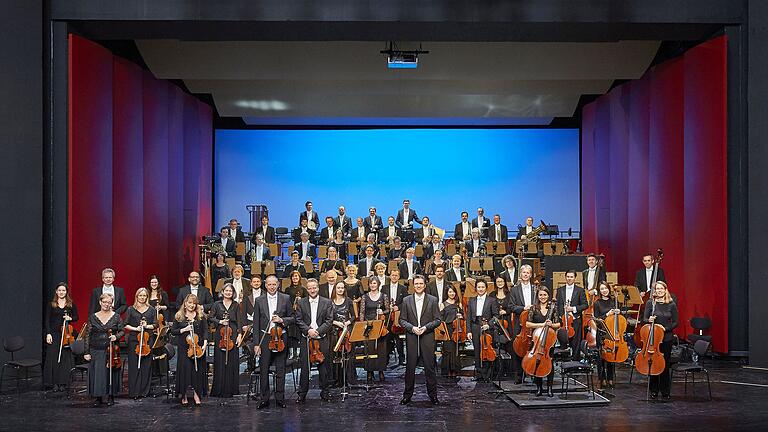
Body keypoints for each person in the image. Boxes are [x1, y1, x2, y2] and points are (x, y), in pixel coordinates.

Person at [252, 275, 295, 409]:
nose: (271, 287)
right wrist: (256, 344)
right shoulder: (259, 300)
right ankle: (264, 399)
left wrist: (282, 320)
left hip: (281, 338)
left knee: (281, 370)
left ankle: (280, 398)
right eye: (269, 284)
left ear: (278, 285)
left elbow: (292, 317)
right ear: (265, 285)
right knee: (264, 370)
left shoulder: (286, 298)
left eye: (274, 284)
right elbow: (256, 323)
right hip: (265, 339)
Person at [399, 275, 441, 405]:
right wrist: (411, 328)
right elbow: (401, 320)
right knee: (410, 368)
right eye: (416, 283)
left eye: (420, 283)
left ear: (424, 285)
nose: (418, 286)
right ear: (413, 285)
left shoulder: (433, 300)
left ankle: (433, 396)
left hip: (427, 336)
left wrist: (425, 328)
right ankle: (407, 396)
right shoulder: (406, 300)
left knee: (429, 367)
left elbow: (438, 320)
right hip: (412, 336)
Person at [295, 278, 334, 403]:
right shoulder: (301, 303)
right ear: (307, 289)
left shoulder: (326, 302)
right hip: (306, 338)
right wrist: (308, 331)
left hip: (321, 338)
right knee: (305, 367)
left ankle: (325, 392)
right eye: (310, 288)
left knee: (324, 367)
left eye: (314, 287)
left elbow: (329, 320)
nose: (312, 290)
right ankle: (302, 393)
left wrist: (318, 331)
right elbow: (298, 320)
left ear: (318, 288)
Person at [84, 293, 124, 407]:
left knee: (110, 373)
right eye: (105, 302)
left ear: (112, 303)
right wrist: (86, 352)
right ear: (100, 302)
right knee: (98, 374)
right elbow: (87, 335)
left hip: (111, 350)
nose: (107, 304)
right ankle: (98, 397)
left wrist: (116, 336)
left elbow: (121, 331)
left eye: (109, 302)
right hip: (95, 349)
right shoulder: (93, 316)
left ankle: (111, 395)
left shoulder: (116, 316)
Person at [643, 281, 678, 400]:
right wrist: (649, 319)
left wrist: (666, 328)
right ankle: (653, 390)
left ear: (665, 289)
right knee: (653, 363)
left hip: (666, 338)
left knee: (664, 364)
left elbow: (675, 322)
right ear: (654, 291)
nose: (659, 291)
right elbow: (644, 318)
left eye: (661, 288)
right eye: (657, 289)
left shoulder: (671, 304)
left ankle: (665, 390)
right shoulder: (650, 303)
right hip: (653, 337)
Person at [171, 294, 208, 406]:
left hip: (198, 347)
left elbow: (205, 330)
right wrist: (184, 329)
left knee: (197, 371)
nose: (192, 305)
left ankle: (197, 394)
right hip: (184, 347)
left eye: (194, 303)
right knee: (185, 371)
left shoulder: (200, 316)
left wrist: (205, 344)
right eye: (189, 303)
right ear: (185, 304)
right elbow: (173, 331)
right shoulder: (179, 316)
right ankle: (184, 395)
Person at [526, 286, 561, 397]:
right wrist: (541, 324)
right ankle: (539, 388)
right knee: (537, 363)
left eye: (545, 295)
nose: (542, 297)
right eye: (540, 295)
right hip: (537, 340)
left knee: (549, 364)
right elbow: (528, 324)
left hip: (549, 341)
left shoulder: (553, 307)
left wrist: (552, 325)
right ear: (538, 296)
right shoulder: (533, 308)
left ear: (548, 295)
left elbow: (558, 324)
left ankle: (549, 388)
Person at [44, 282, 79, 391]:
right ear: (56, 291)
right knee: (53, 358)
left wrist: (70, 319)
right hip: (54, 333)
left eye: (63, 290)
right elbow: (47, 320)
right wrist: (48, 333)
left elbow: (76, 317)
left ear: (66, 292)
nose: (61, 292)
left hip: (66, 334)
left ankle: (63, 382)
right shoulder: (51, 304)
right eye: (59, 290)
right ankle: (54, 383)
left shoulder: (70, 304)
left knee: (64, 358)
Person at [209, 283, 240, 398]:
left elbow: (239, 321)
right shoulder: (217, 304)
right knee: (220, 360)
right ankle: (219, 388)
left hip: (232, 333)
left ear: (233, 293)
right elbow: (210, 317)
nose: (228, 293)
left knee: (232, 361)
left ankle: (231, 389)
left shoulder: (236, 305)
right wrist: (220, 322)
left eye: (230, 291)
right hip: (221, 334)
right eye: (226, 290)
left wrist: (239, 334)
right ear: (222, 292)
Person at [124, 288, 157, 399]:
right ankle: (134, 391)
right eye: (140, 296)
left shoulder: (151, 310)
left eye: (144, 296)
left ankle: (144, 391)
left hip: (147, 340)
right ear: (136, 296)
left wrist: (147, 326)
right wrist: (136, 328)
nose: (142, 298)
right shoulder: (130, 309)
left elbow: (156, 324)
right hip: (134, 340)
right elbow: (125, 324)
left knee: (146, 366)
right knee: (134, 366)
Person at [466, 280, 499, 382]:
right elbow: (468, 317)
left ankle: (487, 375)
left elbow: (496, 316)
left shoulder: (492, 300)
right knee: (477, 351)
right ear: (476, 288)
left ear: (486, 288)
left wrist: (488, 325)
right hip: (475, 326)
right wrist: (469, 331)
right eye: (479, 287)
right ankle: (479, 374)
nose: (480, 289)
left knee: (486, 350)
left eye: (482, 287)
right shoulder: (471, 300)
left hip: (486, 327)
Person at [360, 277, 390, 382]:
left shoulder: (383, 296)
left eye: (374, 283)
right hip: (368, 325)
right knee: (369, 348)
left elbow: (388, 310)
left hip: (380, 325)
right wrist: (362, 324)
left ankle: (381, 371)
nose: (373, 285)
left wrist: (383, 312)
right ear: (368, 285)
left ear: (378, 284)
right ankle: (369, 371)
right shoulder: (365, 297)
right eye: (371, 283)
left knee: (381, 349)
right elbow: (362, 312)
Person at [510, 264, 536, 383]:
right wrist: (523, 308)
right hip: (520, 324)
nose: (525, 275)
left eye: (527, 273)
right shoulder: (514, 289)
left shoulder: (536, 288)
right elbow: (511, 307)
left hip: (534, 322)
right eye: (523, 272)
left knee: (534, 347)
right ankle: (518, 375)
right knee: (518, 348)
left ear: (530, 275)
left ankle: (533, 373)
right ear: (520, 274)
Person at [556, 270, 588, 360]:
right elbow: (558, 305)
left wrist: (573, 309)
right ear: (565, 277)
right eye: (568, 277)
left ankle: (575, 362)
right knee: (564, 341)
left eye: (571, 277)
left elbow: (585, 305)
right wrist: (561, 317)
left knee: (576, 343)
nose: (569, 278)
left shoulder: (580, 290)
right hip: (564, 320)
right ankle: (565, 363)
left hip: (576, 320)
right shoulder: (560, 290)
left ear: (574, 278)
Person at [592, 281, 619, 389]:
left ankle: (610, 378)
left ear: (609, 289)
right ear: (599, 291)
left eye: (606, 288)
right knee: (601, 356)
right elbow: (597, 320)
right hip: (602, 332)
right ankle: (602, 378)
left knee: (611, 355)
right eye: (602, 289)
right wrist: (607, 314)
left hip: (612, 332)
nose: (604, 290)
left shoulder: (614, 301)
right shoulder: (597, 303)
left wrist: (619, 312)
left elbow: (620, 318)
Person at [329, 281, 356, 386]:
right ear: (335, 289)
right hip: (334, 331)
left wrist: (348, 322)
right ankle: (336, 380)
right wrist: (335, 322)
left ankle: (347, 379)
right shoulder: (329, 302)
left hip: (346, 331)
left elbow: (353, 316)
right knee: (336, 356)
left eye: (342, 288)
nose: (340, 290)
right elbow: (327, 318)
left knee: (347, 355)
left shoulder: (348, 301)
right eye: (338, 288)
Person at [384, 268, 408, 365]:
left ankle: (402, 358)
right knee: (387, 339)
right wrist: (387, 306)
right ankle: (386, 358)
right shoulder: (384, 288)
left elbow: (406, 302)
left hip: (398, 317)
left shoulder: (403, 288)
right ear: (390, 276)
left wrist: (398, 307)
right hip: (387, 317)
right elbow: (381, 301)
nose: (394, 277)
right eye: (393, 275)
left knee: (399, 340)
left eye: (396, 275)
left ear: (398, 277)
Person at [440, 285, 464, 377]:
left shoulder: (459, 304)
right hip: (447, 329)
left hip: (457, 329)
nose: (452, 294)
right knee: (447, 350)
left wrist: (460, 316)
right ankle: (447, 370)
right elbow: (440, 319)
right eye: (450, 292)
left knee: (455, 349)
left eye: (453, 292)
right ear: (447, 293)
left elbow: (463, 317)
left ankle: (455, 369)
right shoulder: (443, 304)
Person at [494, 276, 514, 378]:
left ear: (505, 282)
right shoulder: (492, 295)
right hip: (496, 323)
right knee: (497, 345)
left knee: (508, 345)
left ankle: (508, 370)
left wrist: (506, 311)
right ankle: (498, 370)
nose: (500, 283)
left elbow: (512, 307)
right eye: (498, 281)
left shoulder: (509, 294)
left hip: (507, 322)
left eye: (501, 281)